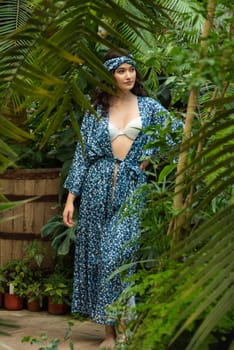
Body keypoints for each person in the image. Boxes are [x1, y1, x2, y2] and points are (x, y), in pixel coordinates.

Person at [63, 49, 179, 349]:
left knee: (118, 257)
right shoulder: (96, 110)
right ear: (108, 75)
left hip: (130, 188)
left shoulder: (150, 107)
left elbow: (178, 133)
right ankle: (111, 334)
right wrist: (71, 198)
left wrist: (152, 153)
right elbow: (82, 154)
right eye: (121, 70)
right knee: (100, 260)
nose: (129, 75)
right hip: (96, 190)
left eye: (131, 69)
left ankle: (125, 330)